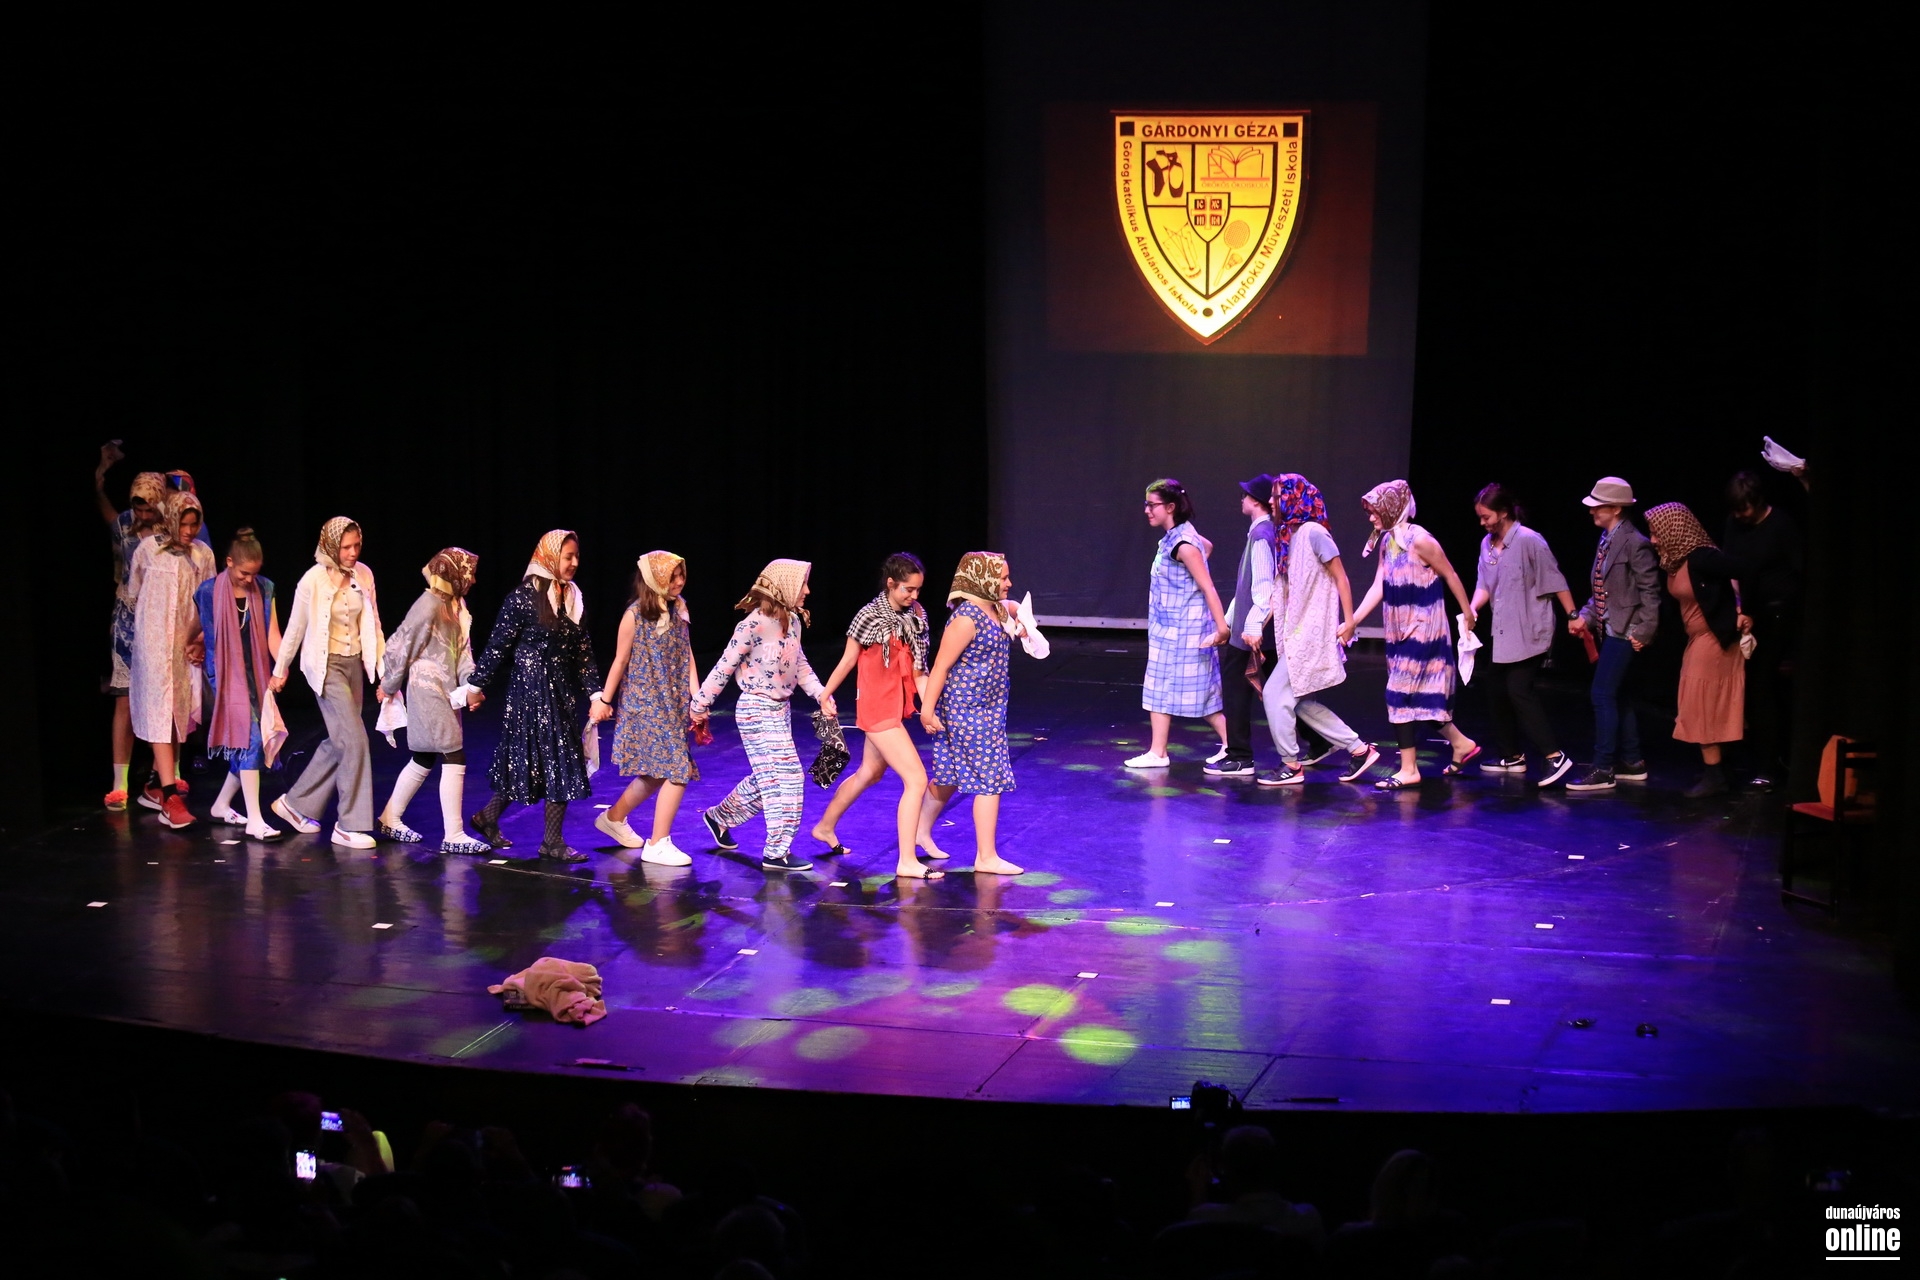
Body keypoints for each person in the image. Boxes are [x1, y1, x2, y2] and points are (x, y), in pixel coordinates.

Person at [468, 530, 609, 863]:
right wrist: (475, 686)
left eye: (576, 556)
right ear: (549, 557)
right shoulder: (522, 597)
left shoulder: (573, 597)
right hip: (528, 694)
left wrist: (595, 694)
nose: (574, 563)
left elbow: (583, 652)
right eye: (567, 556)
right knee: (534, 760)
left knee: (551, 760)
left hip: (559, 693)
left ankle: (490, 818)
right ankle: (550, 841)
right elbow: (498, 646)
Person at [693, 559, 831, 873]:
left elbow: (799, 664)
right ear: (785, 586)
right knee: (788, 777)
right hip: (755, 709)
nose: (807, 591)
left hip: (780, 711)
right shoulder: (752, 625)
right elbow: (724, 667)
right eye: (802, 584)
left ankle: (719, 817)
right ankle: (776, 852)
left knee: (767, 778)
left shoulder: (792, 621)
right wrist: (699, 705)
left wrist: (821, 694)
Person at [812, 553, 943, 879]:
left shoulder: (916, 615)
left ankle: (825, 826)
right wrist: (825, 694)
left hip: (895, 705)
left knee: (869, 773)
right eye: (908, 589)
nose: (914, 596)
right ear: (891, 583)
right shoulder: (868, 616)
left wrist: (929, 708)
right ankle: (907, 861)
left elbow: (920, 670)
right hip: (875, 708)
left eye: (918, 589)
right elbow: (847, 660)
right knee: (916, 779)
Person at [1343, 480, 1479, 789]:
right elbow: (1379, 585)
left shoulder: (1421, 540)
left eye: (1375, 511)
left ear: (1392, 508)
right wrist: (1353, 621)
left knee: (1398, 693)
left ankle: (1409, 769)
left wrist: (1467, 612)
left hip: (1424, 627)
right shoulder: (1387, 542)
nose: (1371, 518)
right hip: (1399, 629)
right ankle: (1462, 744)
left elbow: (1450, 574)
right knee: (1422, 698)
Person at [1254, 474, 1380, 786]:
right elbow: (1282, 591)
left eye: (1276, 495)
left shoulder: (1313, 532)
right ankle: (1359, 749)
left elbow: (1341, 577)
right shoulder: (1289, 536)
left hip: (1311, 632)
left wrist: (1350, 622)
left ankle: (1290, 764)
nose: (1270, 501)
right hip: (1296, 631)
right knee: (1299, 702)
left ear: (1293, 498)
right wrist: (1259, 624)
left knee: (1274, 693)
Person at [269, 517, 385, 848]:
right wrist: (280, 669)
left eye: (356, 545)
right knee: (355, 740)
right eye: (346, 547)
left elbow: (374, 624)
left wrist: (384, 670)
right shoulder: (313, 580)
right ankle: (348, 825)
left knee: (340, 740)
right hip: (325, 667)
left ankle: (295, 804)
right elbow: (295, 628)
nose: (352, 552)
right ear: (332, 546)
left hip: (354, 665)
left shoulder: (364, 574)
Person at [373, 548, 490, 854]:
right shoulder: (428, 605)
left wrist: (471, 686)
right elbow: (401, 645)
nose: (472, 580)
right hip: (426, 688)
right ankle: (453, 834)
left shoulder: (456, 606)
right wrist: (389, 685)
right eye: (468, 573)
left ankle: (389, 817)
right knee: (453, 752)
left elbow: (462, 652)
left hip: (445, 690)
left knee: (424, 755)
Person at [919, 551, 1026, 875]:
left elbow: (1013, 606)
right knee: (990, 779)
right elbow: (940, 667)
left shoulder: (995, 608)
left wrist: (1023, 619)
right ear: (983, 580)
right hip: (967, 710)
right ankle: (986, 857)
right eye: (1002, 578)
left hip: (990, 708)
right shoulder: (966, 619)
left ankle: (919, 831)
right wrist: (927, 710)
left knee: (950, 776)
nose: (1008, 583)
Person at [594, 551, 703, 867]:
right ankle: (658, 843)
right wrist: (604, 700)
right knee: (678, 768)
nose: (679, 582)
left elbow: (687, 654)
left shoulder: (679, 608)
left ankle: (613, 818)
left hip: (672, 703)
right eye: (672, 577)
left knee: (656, 773)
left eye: (681, 575)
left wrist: (698, 697)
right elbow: (620, 660)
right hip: (644, 704)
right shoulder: (634, 615)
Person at [1467, 483, 1577, 787]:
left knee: (1519, 689)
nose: (1483, 523)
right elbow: (1484, 584)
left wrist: (1573, 616)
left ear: (1503, 512)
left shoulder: (1530, 540)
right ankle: (1512, 755)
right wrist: (1472, 609)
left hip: (1530, 629)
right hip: (1504, 631)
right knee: (1495, 688)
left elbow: (1556, 581)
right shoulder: (1487, 544)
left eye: (1486, 517)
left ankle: (1555, 756)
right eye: (1480, 517)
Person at [126, 490, 216, 827]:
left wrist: (201, 640)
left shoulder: (202, 554)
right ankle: (169, 797)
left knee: (178, 713)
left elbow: (209, 602)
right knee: (160, 713)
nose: (189, 531)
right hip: (153, 646)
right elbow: (134, 592)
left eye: (194, 524)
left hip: (184, 646)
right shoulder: (149, 549)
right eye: (184, 524)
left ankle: (154, 785)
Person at [1647, 503, 1749, 798]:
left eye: (1656, 533)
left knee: (1701, 704)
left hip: (1714, 639)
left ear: (1674, 530)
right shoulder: (1674, 561)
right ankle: (1719, 771)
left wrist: (1743, 610)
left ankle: (1715, 775)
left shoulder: (1702, 557)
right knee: (1704, 703)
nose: (1653, 539)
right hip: (1697, 638)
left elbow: (1744, 570)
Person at [1565, 477, 1661, 793]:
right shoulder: (1607, 539)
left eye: (1598, 506)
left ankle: (1603, 768)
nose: (1592, 511)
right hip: (1610, 628)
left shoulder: (1635, 542)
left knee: (1602, 693)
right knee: (1620, 694)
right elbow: (1603, 591)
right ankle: (1632, 762)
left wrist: (1644, 631)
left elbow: (1650, 592)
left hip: (1626, 631)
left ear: (1616, 508)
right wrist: (1586, 616)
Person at [191, 528, 287, 840]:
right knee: (251, 740)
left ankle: (221, 805)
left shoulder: (265, 588)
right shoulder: (208, 591)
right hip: (224, 675)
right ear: (229, 562)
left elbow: (273, 635)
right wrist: (191, 642)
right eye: (244, 573)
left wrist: (282, 667)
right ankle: (255, 820)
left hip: (255, 674)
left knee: (249, 740)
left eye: (254, 574)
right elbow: (206, 630)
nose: (249, 580)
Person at [1127, 478, 1229, 769]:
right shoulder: (1177, 537)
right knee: (1158, 689)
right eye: (1146, 504)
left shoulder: (1183, 543)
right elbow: (1207, 546)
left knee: (1201, 691)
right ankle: (1158, 751)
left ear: (1170, 507)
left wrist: (1222, 627)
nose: (1147, 510)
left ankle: (1232, 746)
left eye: (1153, 505)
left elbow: (1208, 587)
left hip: (1184, 629)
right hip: (1167, 628)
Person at [1721, 470, 1803, 790]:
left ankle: (1772, 764)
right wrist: (1739, 606)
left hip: (1779, 615)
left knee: (1764, 688)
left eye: (1744, 509)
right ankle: (1763, 758)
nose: (1740, 515)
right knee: (1752, 689)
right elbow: (1731, 569)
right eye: (1736, 510)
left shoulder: (1781, 524)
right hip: (1748, 615)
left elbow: (1797, 572)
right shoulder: (1734, 524)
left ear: (1758, 502)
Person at [98, 453, 164, 810]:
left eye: (149, 507)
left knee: (162, 702)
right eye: (139, 507)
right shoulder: (124, 524)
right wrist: (98, 486)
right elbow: (108, 514)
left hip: (160, 621)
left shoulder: (171, 532)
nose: (143, 513)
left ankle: (162, 779)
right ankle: (119, 782)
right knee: (123, 700)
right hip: (126, 621)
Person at [1208, 475, 1277, 778]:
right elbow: (1245, 588)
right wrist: (1227, 621)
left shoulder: (1262, 535)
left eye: (1246, 495)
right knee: (1281, 692)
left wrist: (1250, 627)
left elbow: (1263, 589)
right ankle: (1319, 741)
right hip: (1249, 630)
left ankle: (1240, 757)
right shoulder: (1261, 533)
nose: (1242, 499)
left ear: (1256, 501)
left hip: (1250, 634)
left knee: (1237, 691)